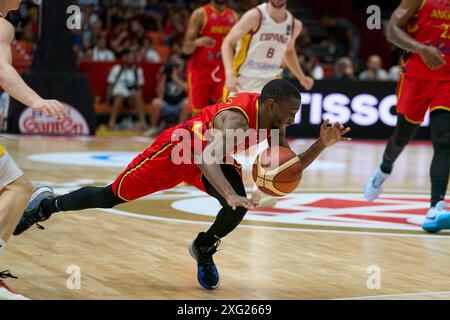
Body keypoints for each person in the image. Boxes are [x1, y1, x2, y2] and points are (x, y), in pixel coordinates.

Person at [14, 79, 351, 291]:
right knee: (109, 196)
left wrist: (321, 145)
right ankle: (46, 205)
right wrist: (230, 192)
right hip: (179, 152)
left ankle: (204, 247)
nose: (293, 119)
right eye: (291, 113)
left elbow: (288, 167)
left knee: (236, 209)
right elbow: (204, 157)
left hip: (212, 159)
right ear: (272, 105)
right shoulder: (235, 118)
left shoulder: (275, 122)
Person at [0, 0, 68, 299]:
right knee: (17, 188)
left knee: (17, 189)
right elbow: (1, 70)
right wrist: (36, 101)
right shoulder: (2, 26)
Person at [364, 0, 450, 233]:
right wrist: (421, 48)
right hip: (417, 76)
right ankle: (384, 168)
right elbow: (391, 30)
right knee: (401, 138)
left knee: (444, 140)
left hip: (447, 80)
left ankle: (436, 207)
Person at [221, 0, 314, 99]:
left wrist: (301, 77)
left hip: (271, 81)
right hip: (243, 79)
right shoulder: (255, 16)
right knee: (232, 114)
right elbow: (228, 43)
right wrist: (229, 75)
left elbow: (289, 51)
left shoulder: (294, 25)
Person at [182, 0, 238, 113]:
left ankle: (218, 131)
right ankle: (198, 131)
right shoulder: (200, 14)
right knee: (198, 113)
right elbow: (185, 48)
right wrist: (198, 42)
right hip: (201, 70)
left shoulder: (234, 16)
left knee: (225, 110)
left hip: (223, 71)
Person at [145, 55, 189, 137]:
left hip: (179, 105)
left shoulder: (185, 76)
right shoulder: (165, 76)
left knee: (187, 102)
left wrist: (175, 77)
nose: (176, 68)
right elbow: (159, 94)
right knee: (155, 102)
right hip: (167, 105)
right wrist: (164, 76)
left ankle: (179, 130)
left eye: (178, 65)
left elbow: (188, 90)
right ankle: (153, 128)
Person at [106, 50, 149, 131]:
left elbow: (139, 89)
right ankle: (111, 122)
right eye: (130, 56)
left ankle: (143, 123)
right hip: (117, 96)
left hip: (130, 98)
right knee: (120, 95)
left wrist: (139, 99)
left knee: (137, 95)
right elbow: (110, 86)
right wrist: (107, 102)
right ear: (125, 58)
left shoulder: (138, 71)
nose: (132, 59)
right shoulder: (116, 69)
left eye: (133, 57)